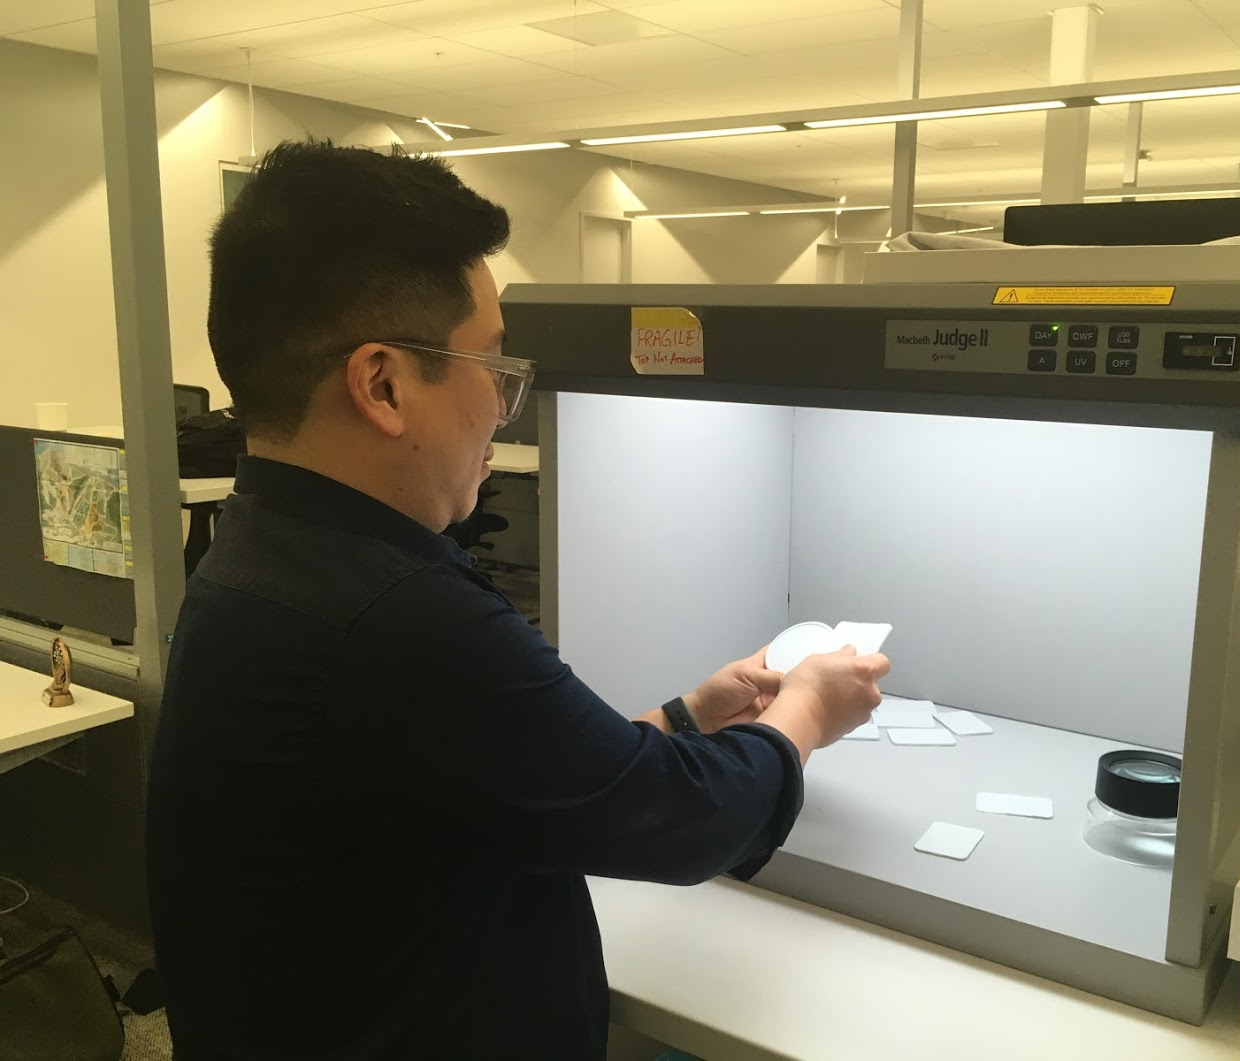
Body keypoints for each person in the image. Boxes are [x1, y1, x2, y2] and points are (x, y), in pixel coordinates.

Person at [145, 140, 889, 1061]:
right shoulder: (395, 615)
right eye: (491, 367)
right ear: (382, 383)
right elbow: (685, 825)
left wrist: (687, 717)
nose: (503, 410)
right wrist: (808, 708)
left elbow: (488, 772)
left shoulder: (264, 556)